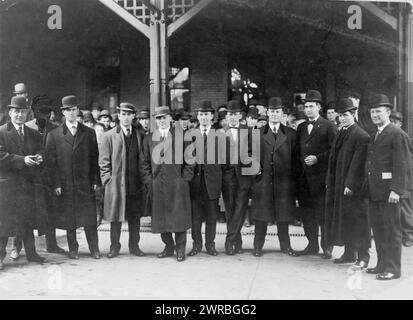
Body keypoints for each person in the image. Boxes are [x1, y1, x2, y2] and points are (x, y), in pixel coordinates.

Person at [45, 95, 101, 260]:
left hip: (85, 183)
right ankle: (73, 249)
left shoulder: (89, 133)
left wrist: (96, 181)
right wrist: (56, 184)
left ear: (78, 111)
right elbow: (50, 163)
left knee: (89, 218)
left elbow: (94, 159)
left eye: (73, 109)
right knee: (70, 219)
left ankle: (94, 249)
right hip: (66, 183)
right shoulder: (54, 134)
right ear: (63, 112)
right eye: (67, 110)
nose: (71, 113)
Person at [140, 106, 194, 262]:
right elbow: (143, 162)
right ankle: (168, 246)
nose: (161, 121)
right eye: (158, 118)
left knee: (178, 218)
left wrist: (184, 179)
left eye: (164, 117)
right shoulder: (149, 138)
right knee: (161, 220)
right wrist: (149, 181)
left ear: (171, 118)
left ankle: (180, 249)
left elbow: (190, 160)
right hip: (157, 184)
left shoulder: (182, 136)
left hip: (177, 184)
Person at [365, 94, 410, 280]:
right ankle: (382, 264)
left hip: (389, 192)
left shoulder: (396, 133)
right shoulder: (377, 133)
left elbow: (402, 164)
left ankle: (392, 268)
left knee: (391, 230)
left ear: (388, 112)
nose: (375, 114)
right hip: (376, 191)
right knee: (379, 229)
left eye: (379, 111)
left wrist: (396, 190)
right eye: (372, 111)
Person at [0, 96, 47, 270]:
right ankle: (0, 257)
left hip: (27, 185)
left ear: (27, 113)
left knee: (27, 220)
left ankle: (31, 253)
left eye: (22, 111)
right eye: (16, 111)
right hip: (8, 186)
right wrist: (23, 160)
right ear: (10, 112)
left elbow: (40, 150)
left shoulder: (33, 133)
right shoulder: (1, 132)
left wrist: (40, 156)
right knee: (4, 223)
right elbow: (1, 156)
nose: (19, 115)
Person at [324, 98, 371, 269]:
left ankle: (364, 256)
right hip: (339, 185)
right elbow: (333, 159)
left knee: (359, 221)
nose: (342, 119)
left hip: (354, 189)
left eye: (346, 115)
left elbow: (359, 165)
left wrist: (350, 185)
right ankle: (350, 253)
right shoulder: (341, 132)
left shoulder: (361, 135)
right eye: (340, 116)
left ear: (354, 115)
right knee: (346, 220)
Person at [251, 97, 299, 257]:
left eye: (278, 111)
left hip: (284, 182)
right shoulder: (257, 133)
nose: (275, 114)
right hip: (263, 181)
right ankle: (257, 246)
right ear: (267, 112)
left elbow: (296, 159)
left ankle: (286, 246)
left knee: (283, 215)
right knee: (261, 216)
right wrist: (255, 169)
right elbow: (249, 155)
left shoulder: (291, 134)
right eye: (272, 111)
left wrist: (292, 181)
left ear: (282, 113)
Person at [99, 102, 146, 258]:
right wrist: (107, 180)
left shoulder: (140, 135)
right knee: (115, 218)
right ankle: (114, 247)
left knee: (135, 218)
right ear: (119, 116)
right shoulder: (108, 136)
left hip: (135, 184)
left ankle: (134, 246)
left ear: (133, 116)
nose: (126, 118)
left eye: (129, 114)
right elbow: (103, 162)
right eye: (123, 114)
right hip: (116, 185)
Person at [296, 90, 337, 258]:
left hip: (320, 180)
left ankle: (327, 247)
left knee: (323, 214)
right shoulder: (301, 127)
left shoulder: (329, 126)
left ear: (319, 107)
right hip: (304, 180)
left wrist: (318, 158)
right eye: (306, 107)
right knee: (307, 214)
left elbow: (334, 152)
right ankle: (311, 244)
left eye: (312, 106)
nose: (308, 110)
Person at [24, 96, 66, 255]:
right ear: (34, 111)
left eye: (48, 111)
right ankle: (20, 247)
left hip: (49, 176)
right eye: (41, 111)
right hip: (30, 176)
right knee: (26, 212)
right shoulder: (26, 127)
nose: (44, 115)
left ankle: (52, 244)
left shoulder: (56, 128)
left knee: (51, 210)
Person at [187, 100, 223, 257]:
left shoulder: (220, 136)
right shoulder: (190, 135)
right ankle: (196, 245)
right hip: (195, 183)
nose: (203, 117)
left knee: (211, 217)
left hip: (212, 183)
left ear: (212, 117)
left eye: (206, 114)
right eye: (201, 114)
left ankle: (210, 245)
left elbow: (225, 162)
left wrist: (219, 181)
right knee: (195, 218)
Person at [222, 100, 254, 255]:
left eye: (235, 114)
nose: (233, 117)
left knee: (240, 208)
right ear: (227, 117)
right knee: (230, 209)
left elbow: (252, 153)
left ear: (240, 115)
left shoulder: (248, 131)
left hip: (243, 176)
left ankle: (229, 240)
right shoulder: (221, 132)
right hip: (227, 177)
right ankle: (237, 241)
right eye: (230, 114)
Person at [390, 111, 413, 247]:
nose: (393, 124)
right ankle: (402, 235)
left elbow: (407, 162)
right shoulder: (392, 136)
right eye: (391, 121)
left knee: (405, 210)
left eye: (395, 122)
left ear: (401, 124)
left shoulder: (402, 137)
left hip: (405, 180)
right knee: (398, 210)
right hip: (397, 180)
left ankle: (409, 235)